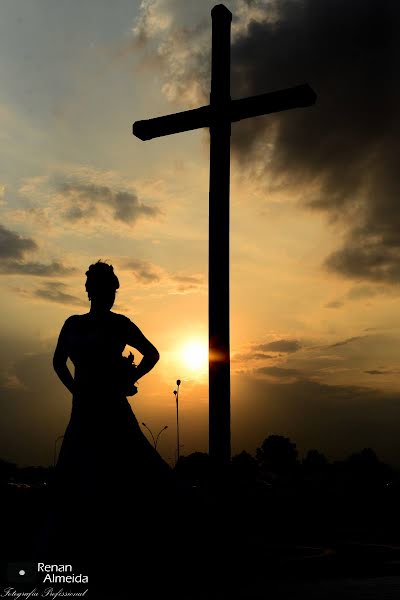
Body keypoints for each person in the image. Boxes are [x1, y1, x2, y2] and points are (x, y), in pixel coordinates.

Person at [37, 260, 178, 586]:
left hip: (111, 410)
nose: (110, 294)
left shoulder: (118, 324)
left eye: (112, 289)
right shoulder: (73, 323)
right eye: (107, 288)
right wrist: (78, 390)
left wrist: (128, 377)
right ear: (92, 290)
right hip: (85, 412)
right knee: (78, 476)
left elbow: (151, 354)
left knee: (126, 470)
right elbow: (58, 363)